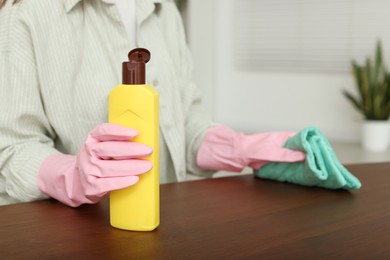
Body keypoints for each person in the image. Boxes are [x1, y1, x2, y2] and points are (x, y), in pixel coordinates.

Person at [0, 0, 305, 206]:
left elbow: (182, 121)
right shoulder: (27, 13)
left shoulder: (164, 9)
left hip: (166, 225)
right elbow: (12, 149)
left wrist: (237, 147)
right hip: (73, 236)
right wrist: (71, 176)